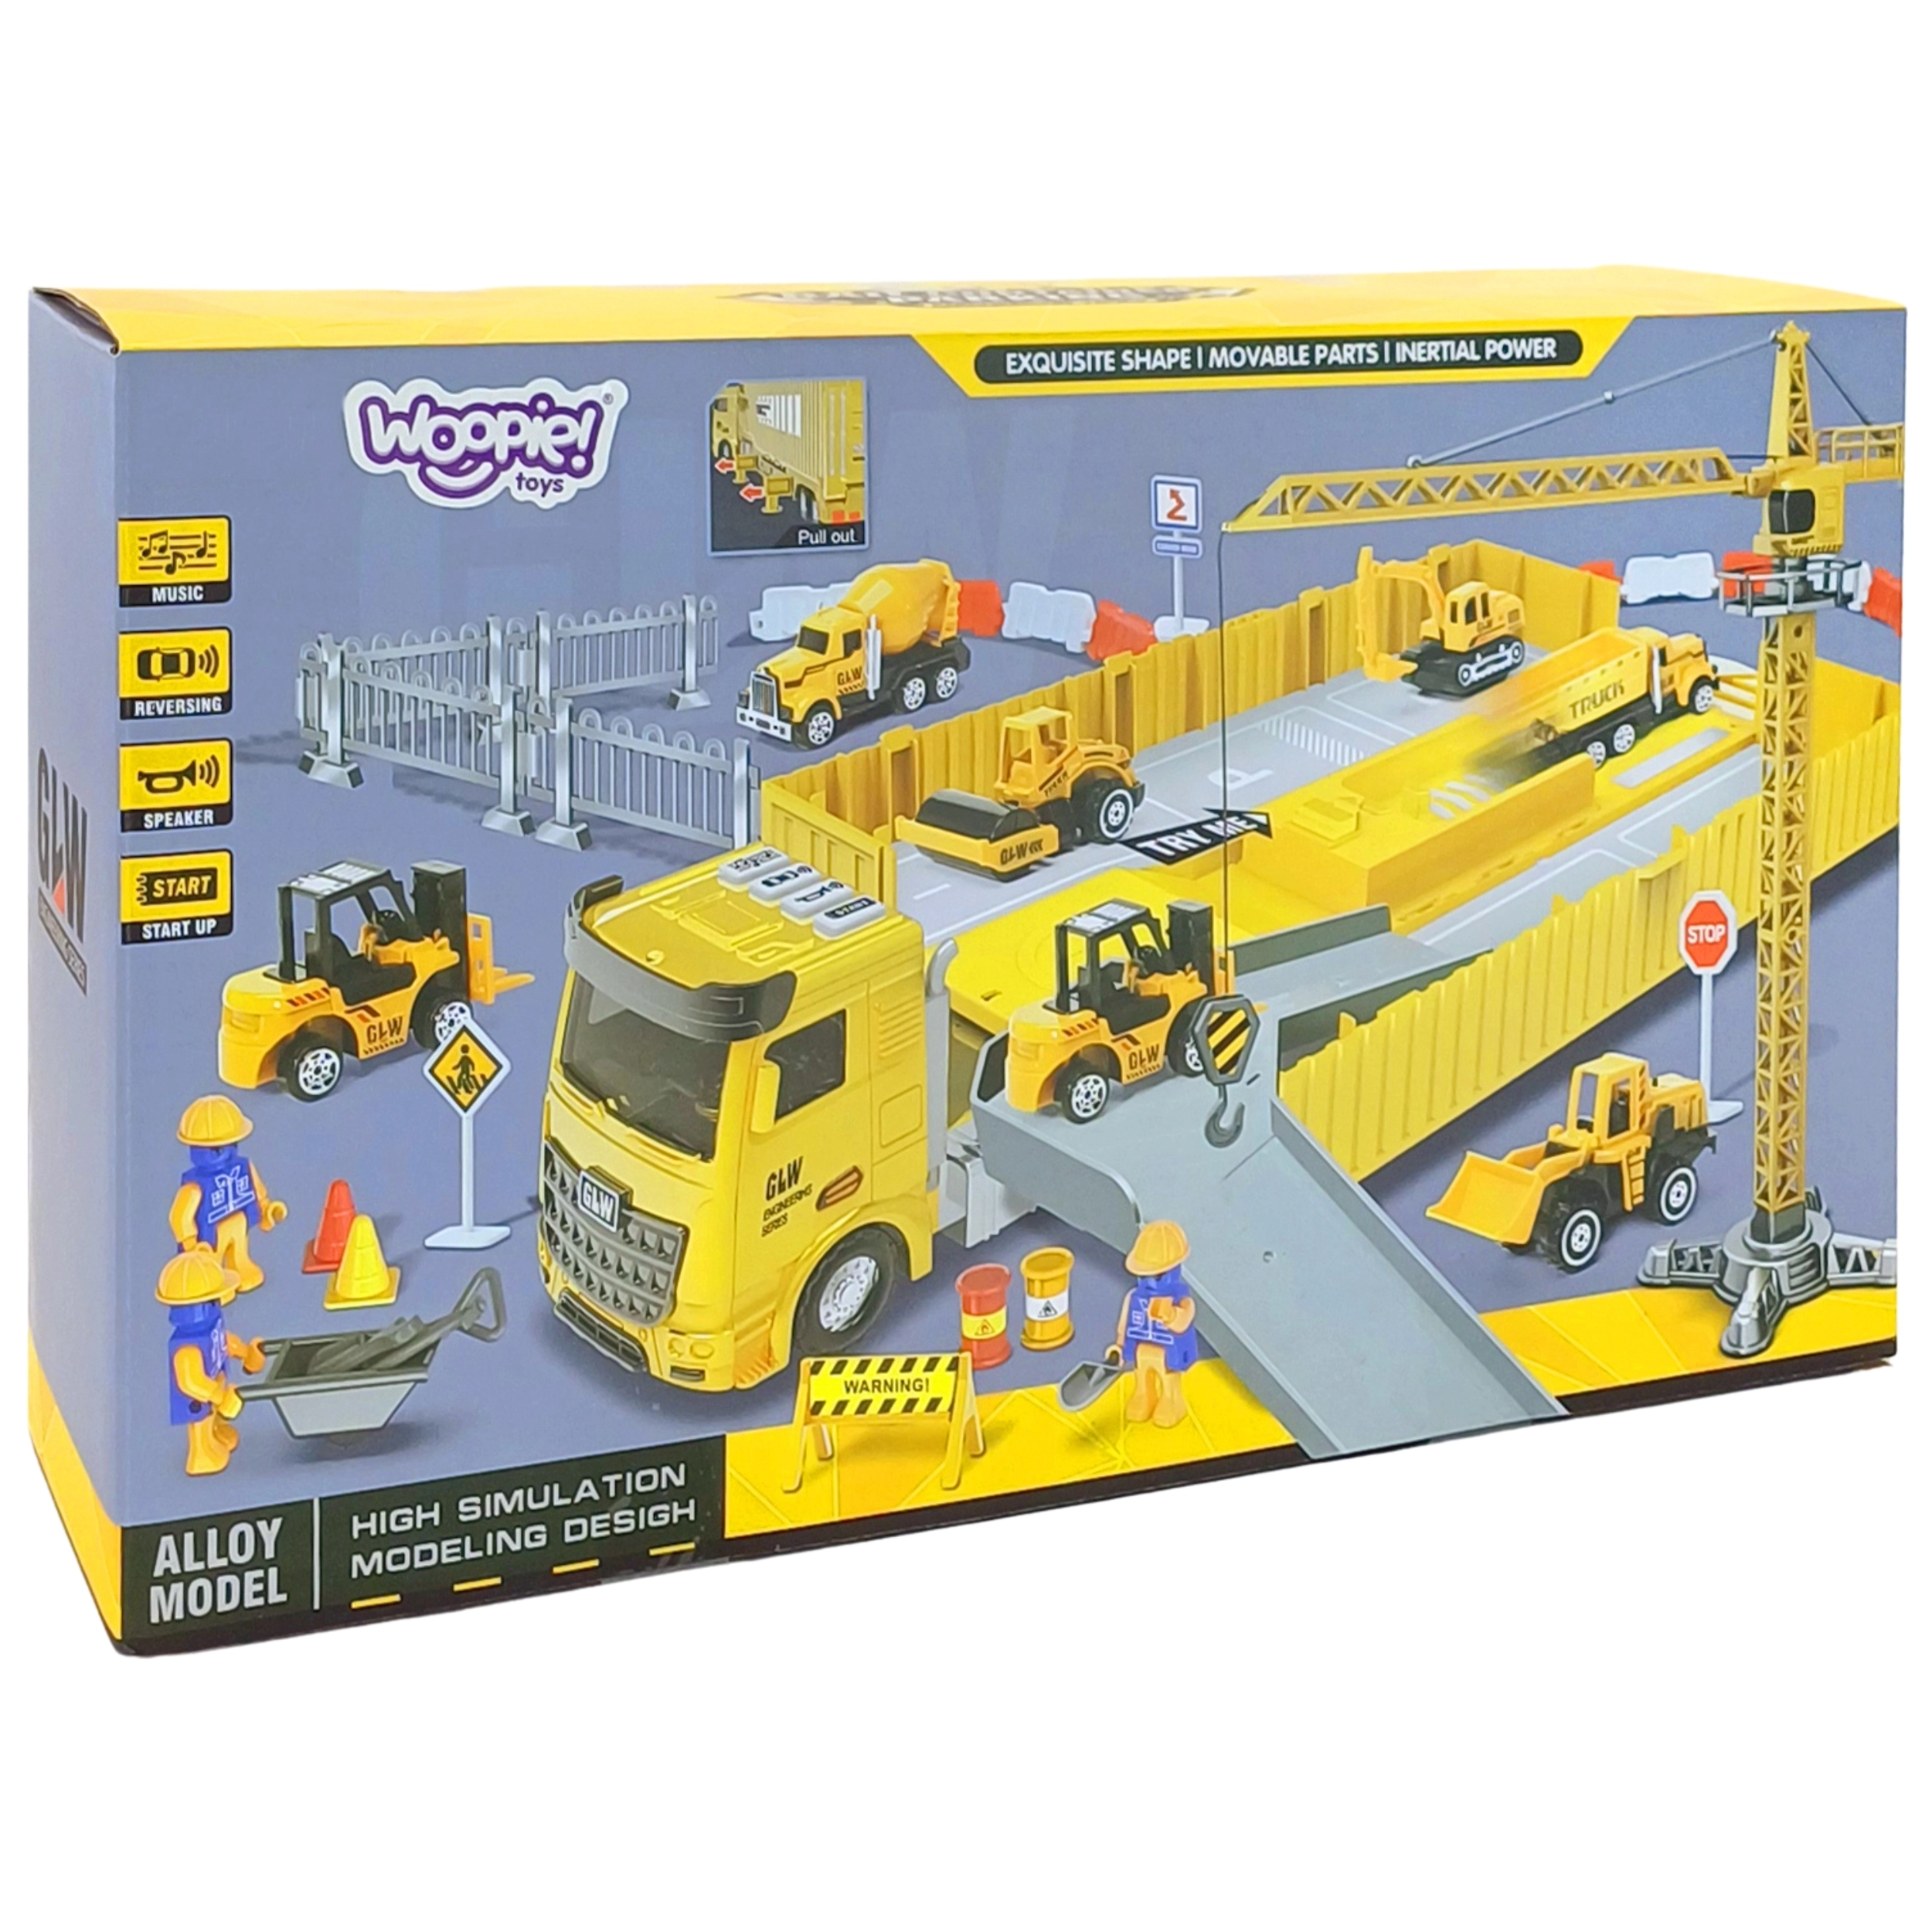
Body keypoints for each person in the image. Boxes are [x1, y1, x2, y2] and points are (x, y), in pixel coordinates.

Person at [158, 1248, 265, 1476]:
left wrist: (245, 1352)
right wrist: (220, 1396)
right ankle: (201, 1454)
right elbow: (191, 1382)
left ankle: (216, 1433)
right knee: (202, 1421)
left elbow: (224, 1341)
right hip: (202, 1398)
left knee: (212, 1417)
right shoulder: (187, 1347)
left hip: (216, 1383)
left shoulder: (210, 1329)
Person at [169, 1095, 287, 1291]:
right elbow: (179, 1217)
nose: (224, 1153)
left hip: (239, 1222)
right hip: (209, 1238)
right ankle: (213, 1280)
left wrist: (267, 1209)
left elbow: (258, 1192)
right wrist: (190, 1243)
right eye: (215, 1149)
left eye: (230, 1145)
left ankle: (241, 1266)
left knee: (239, 1247)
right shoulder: (195, 1187)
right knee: (212, 1261)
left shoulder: (244, 1167)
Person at [1111, 1219, 1197, 1428]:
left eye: (1157, 1275)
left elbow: (1182, 1323)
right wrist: (1119, 1347)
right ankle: (1144, 1395)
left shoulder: (1182, 1301)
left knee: (1168, 1379)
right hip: (1140, 1349)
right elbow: (1124, 1326)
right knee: (1142, 1375)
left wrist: (1171, 1315)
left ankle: (1172, 1401)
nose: (1149, 1282)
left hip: (1168, 1354)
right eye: (1144, 1276)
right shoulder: (1134, 1298)